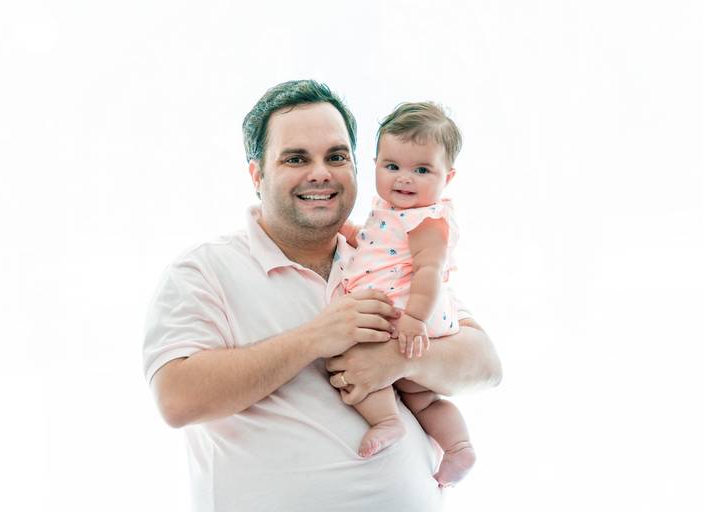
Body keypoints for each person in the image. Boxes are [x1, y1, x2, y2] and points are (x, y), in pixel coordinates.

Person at [143, 79, 502, 512]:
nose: (321, 173)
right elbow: (177, 399)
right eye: (296, 158)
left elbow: (486, 365)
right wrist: (314, 338)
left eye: (336, 157)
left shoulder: (383, 256)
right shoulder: (204, 271)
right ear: (257, 175)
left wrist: (399, 360)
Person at [339, 101, 475, 486]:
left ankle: (386, 421)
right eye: (392, 166)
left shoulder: (425, 219)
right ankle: (458, 447)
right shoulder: (390, 210)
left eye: (422, 170)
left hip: (407, 314)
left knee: (354, 358)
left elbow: (429, 270)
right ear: (375, 164)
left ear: (447, 176)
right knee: (422, 397)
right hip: (407, 315)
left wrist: (414, 319)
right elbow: (377, 246)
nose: (404, 179)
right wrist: (348, 233)